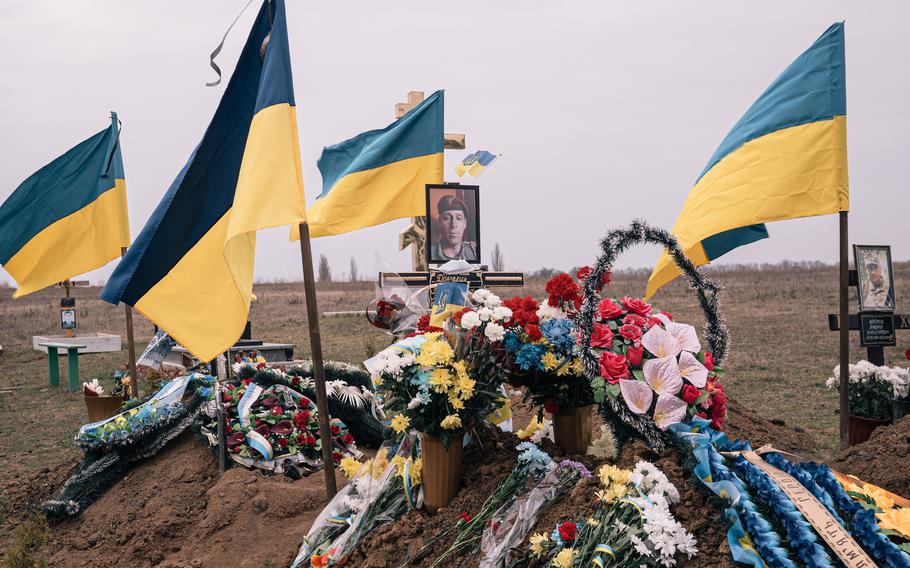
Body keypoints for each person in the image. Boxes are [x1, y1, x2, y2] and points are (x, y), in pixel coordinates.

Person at [430, 195, 478, 262]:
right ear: (439, 223)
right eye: (447, 218)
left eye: (459, 218)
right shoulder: (428, 253)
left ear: (465, 223)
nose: (453, 225)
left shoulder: (474, 251)